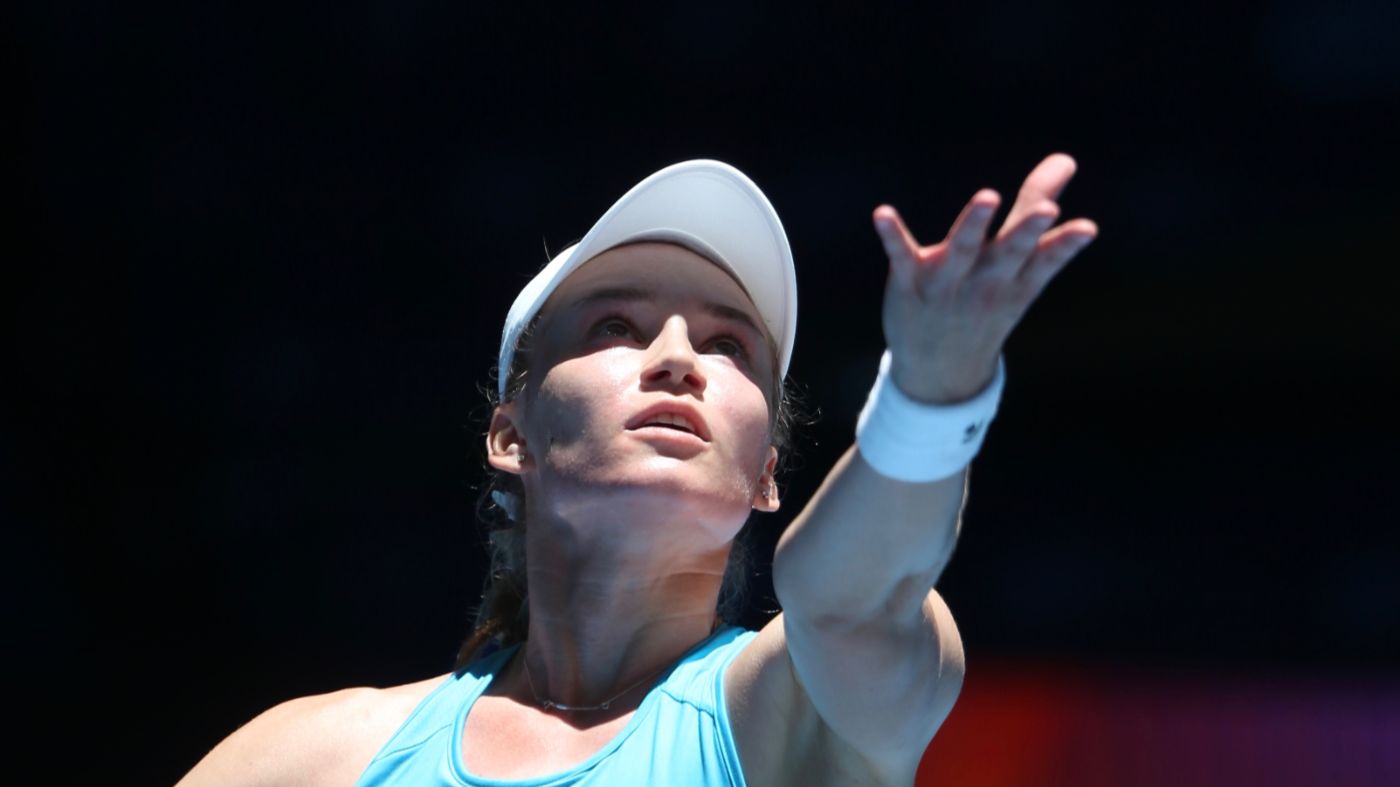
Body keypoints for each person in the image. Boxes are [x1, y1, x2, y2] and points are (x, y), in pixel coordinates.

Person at [179, 155, 1097, 786]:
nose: (677, 358)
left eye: (728, 343)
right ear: (511, 436)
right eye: (616, 324)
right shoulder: (314, 757)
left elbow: (847, 597)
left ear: (767, 474)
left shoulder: (792, 709)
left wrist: (928, 399)